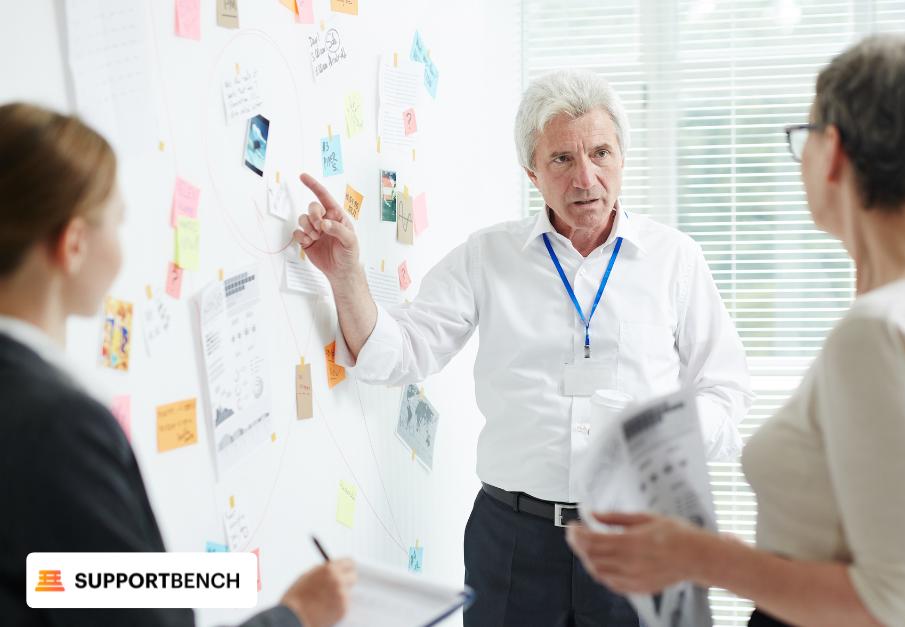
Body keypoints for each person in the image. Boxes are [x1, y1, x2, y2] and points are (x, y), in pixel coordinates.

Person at [292, 68, 753, 627]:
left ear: (623, 159)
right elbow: (399, 353)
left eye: (601, 153)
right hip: (513, 542)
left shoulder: (676, 260)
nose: (586, 177)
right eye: (562, 159)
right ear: (532, 171)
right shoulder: (487, 257)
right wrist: (346, 274)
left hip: (642, 537)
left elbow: (726, 396)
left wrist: (659, 435)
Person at [567, 34, 905, 627]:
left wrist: (696, 555)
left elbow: (892, 601)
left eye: (806, 137)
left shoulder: (879, 333)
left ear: (835, 150)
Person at [0, 102, 357, 627]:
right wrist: (295, 614)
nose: (122, 248)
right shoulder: (59, 426)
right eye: (117, 224)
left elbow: (53, 576)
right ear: (73, 244)